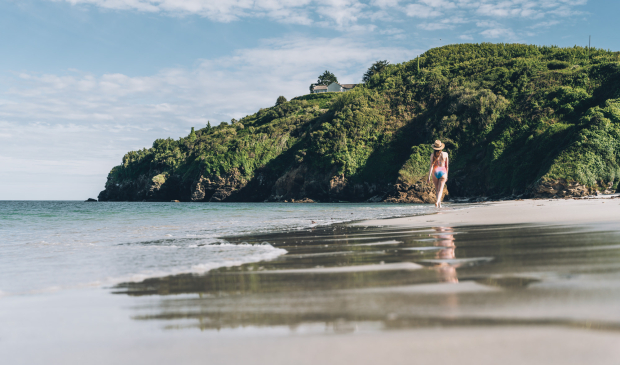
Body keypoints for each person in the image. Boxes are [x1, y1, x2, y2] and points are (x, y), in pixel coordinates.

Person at [427, 140, 449, 208]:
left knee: (437, 190)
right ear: (441, 147)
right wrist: (447, 176)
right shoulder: (445, 154)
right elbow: (446, 166)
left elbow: (431, 166)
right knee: (440, 189)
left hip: (435, 171)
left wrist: (428, 177)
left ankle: (439, 205)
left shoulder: (432, 155)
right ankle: (437, 202)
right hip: (443, 171)